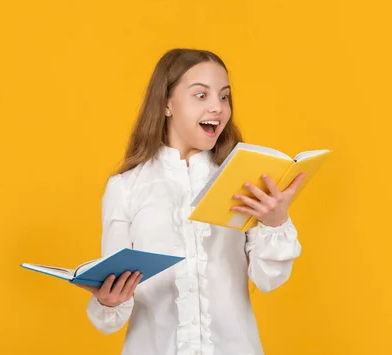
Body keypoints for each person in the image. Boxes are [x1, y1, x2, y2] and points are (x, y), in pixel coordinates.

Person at [76, 48, 306, 355]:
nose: (217, 108)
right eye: (201, 95)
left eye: (224, 97)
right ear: (166, 103)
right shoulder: (126, 187)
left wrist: (275, 222)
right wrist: (109, 300)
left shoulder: (243, 178)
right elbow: (111, 317)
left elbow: (269, 280)